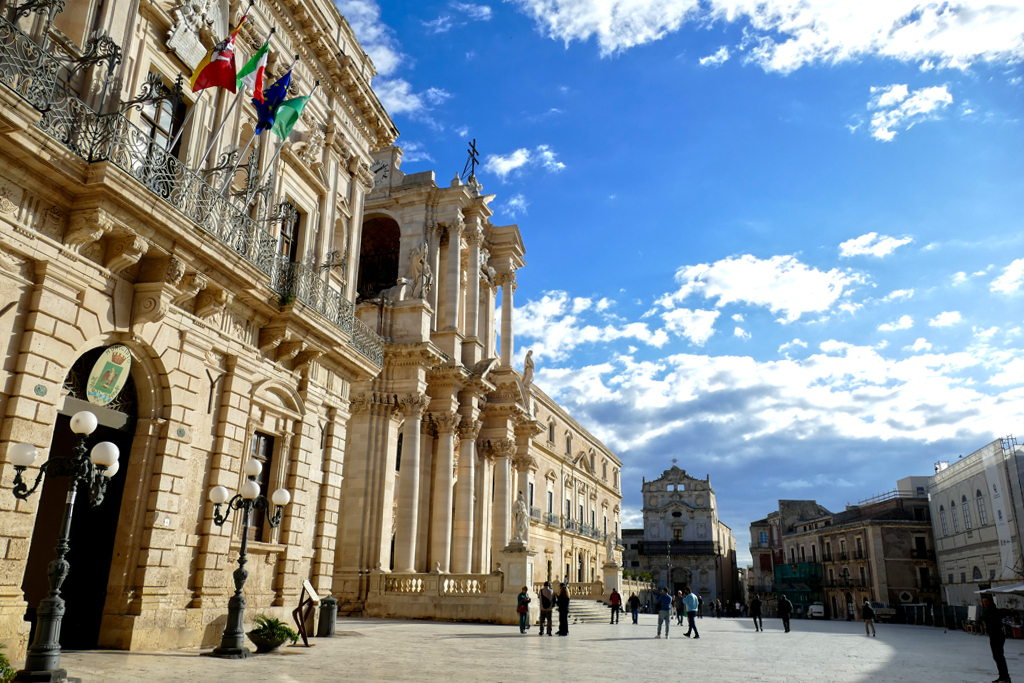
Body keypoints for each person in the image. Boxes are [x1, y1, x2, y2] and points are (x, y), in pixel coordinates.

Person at [982, 596, 1012, 682]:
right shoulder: (988, 611)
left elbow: (995, 623)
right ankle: (1003, 676)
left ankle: (1005, 677)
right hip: (994, 635)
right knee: (997, 656)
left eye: (986, 601)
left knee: (998, 656)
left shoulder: (993, 611)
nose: (985, 603)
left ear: (991, 601)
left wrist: (990, 630)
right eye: (984, 602)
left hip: (997, 635)